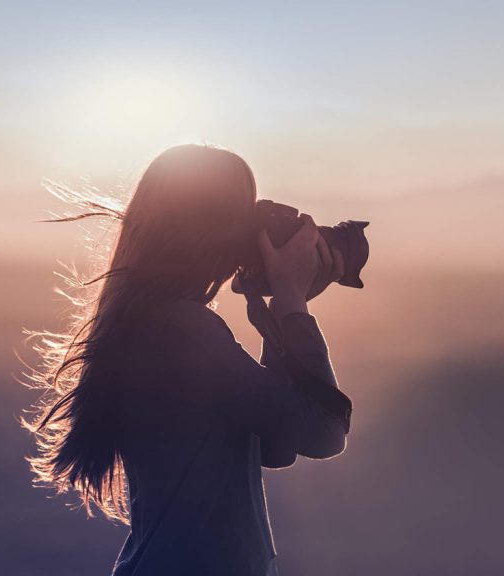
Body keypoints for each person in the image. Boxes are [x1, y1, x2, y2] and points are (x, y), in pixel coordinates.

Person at [23, 144, 352, 575]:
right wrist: (292, 302)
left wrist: (274, 320)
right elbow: (321, 433)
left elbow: (274, 443)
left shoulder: (151, 320)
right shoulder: (182, 330)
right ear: (215, 228)